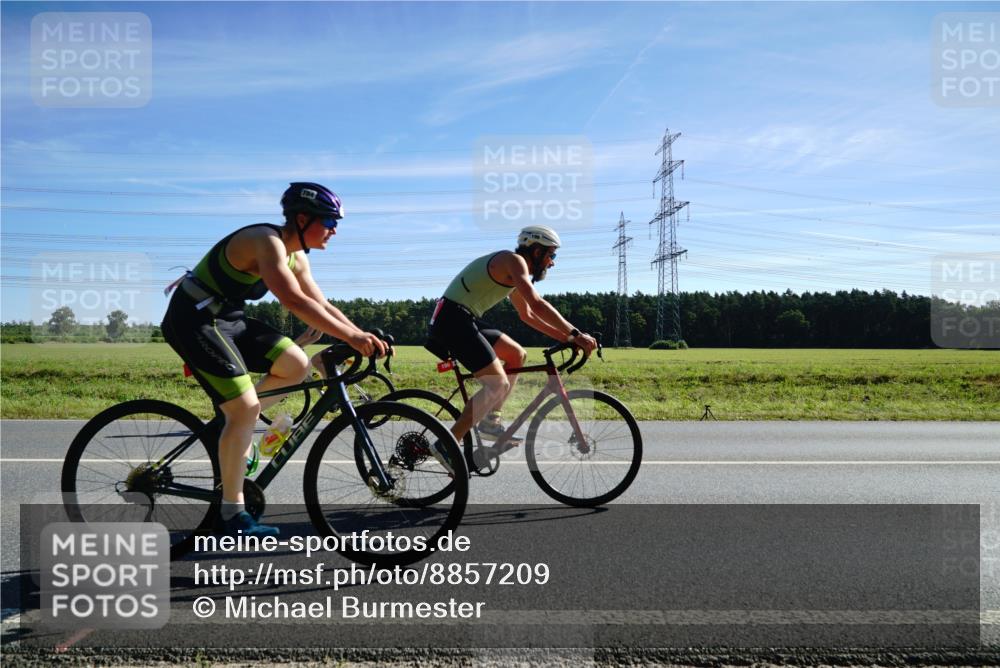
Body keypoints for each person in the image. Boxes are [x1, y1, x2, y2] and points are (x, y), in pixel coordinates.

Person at [161, 182, 386, 537]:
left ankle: (233, 426)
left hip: (228, 318)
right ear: (301, 218)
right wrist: (352, 338)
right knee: (245, 409)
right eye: (329, 221)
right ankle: (232, 513)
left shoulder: (297, 257)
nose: (334, 230)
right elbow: (294, 302)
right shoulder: (267, 241)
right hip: (194, 318)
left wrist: (361, 335)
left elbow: (321, 304)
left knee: (296, 364)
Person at [427, 224, 598, 458]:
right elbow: (537, 304)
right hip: (452, 320)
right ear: (536, 251)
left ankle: (490, 422)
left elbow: (527, 315)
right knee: (497, 384)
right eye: (552, 255)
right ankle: (446, 445)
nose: (552, 262)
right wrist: (577, 334)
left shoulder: (514, 272)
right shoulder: (513, 261)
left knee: (517, 355)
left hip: (464, 318)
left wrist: (567, 338)